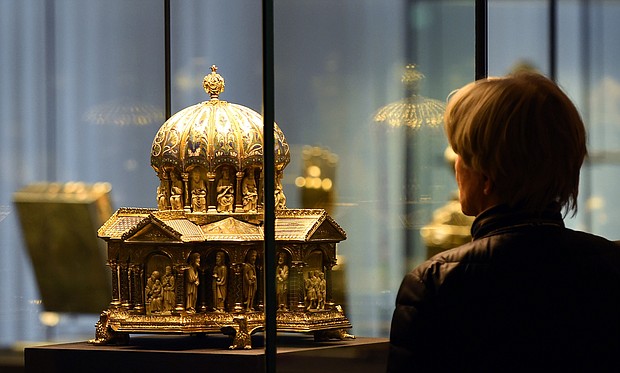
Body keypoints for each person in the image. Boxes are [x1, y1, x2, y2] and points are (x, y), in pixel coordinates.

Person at [388, 73, 620, 372]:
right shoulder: (611, 267)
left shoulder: (435, 283)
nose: (455, 165)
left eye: (460, 152)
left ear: (487, 175)